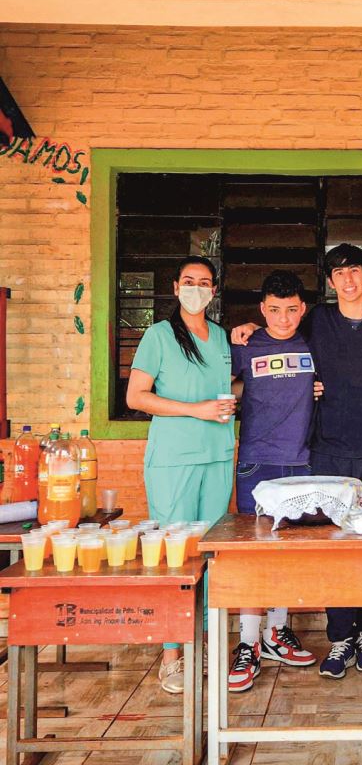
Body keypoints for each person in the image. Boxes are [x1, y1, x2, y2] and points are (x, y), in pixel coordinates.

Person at [231, 244, 362, 679]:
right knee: (301, 547)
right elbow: (230, 381)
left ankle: (355, 634)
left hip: (351, 453)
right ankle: (292, 639)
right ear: (328, 283)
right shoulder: (307, 326)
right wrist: (245, 327)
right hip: (301, 455)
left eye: (355, 272)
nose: (347, 280)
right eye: (338, 273)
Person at [127, 256, 235, 694]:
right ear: (175, 287)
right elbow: (137, 396)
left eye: (204, 282)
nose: (196, 288)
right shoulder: (158, 335)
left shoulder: (223, 336)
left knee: (209, 554)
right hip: (174, 459)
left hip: (217, 456)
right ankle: (171, 654)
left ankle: (203, 644)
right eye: (188, 281)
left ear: (213, 291)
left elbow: (225, 389)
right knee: (176, 554)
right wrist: (197, 411)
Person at [227, 270, 317, 694]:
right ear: (262, 310)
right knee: (253, 551)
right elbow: (222, 388)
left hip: (300, 462)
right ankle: (247, 642)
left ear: (303, 309)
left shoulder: (314, 342)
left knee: (289, 552)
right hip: (256, 462)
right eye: (275, 310)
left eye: (293, 309)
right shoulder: (243, 345)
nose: (284, 318)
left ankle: (277, 633)